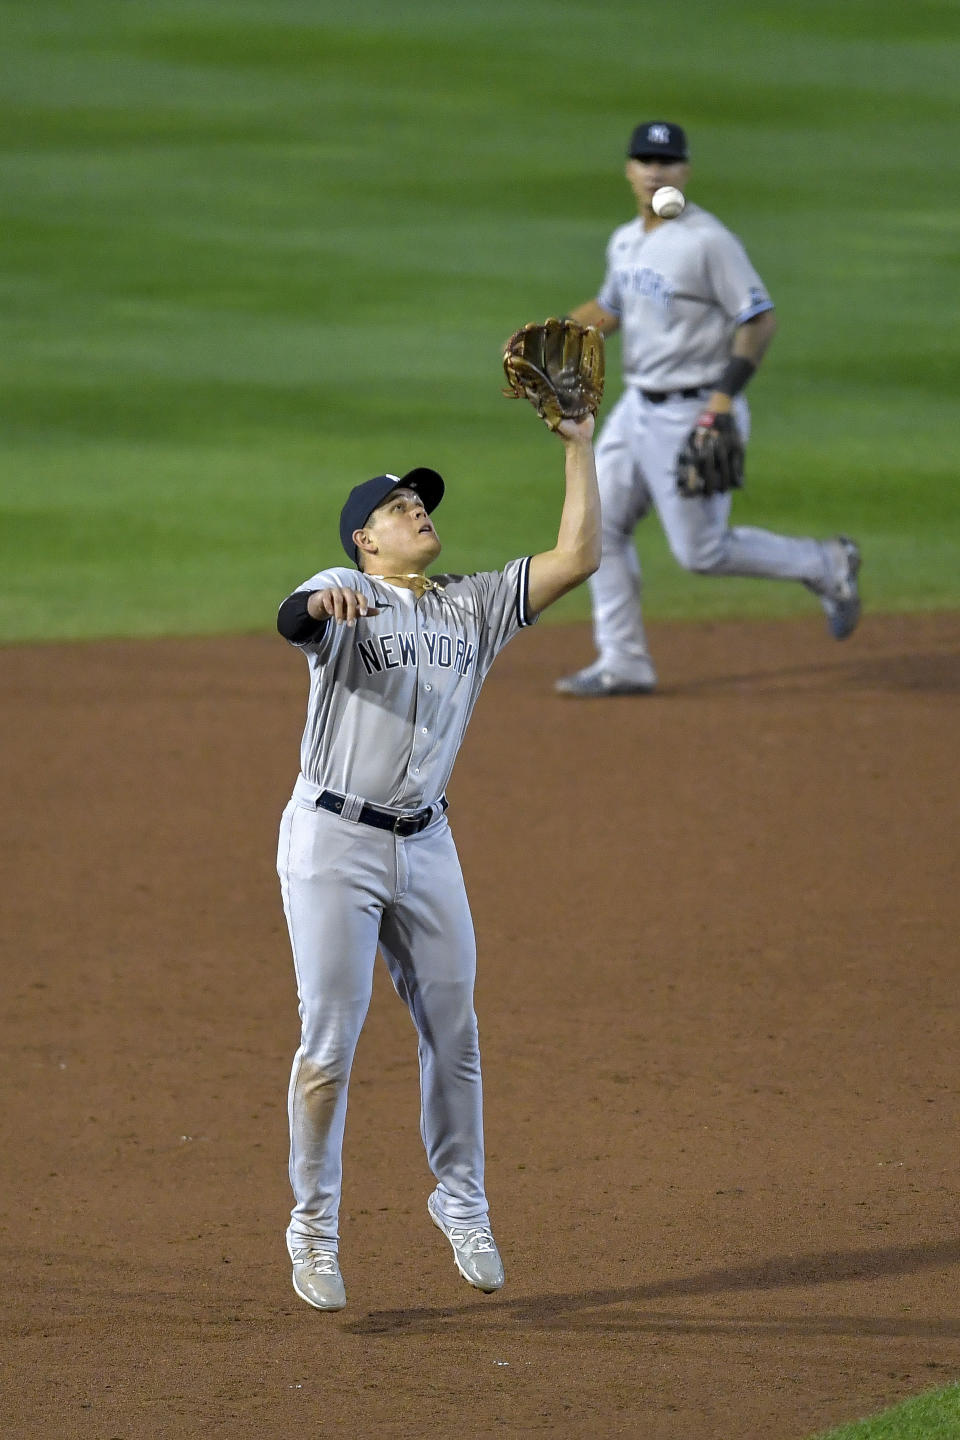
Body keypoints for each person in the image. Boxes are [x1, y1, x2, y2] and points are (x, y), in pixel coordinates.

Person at [274, 414, 599, 1310]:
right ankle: (314, 1231)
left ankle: (462, 1203)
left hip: (426, 843)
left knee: (454, 1031)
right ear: (364, 540)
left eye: (420, 500)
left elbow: (578, 556)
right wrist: (320, 606)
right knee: (329, 1046)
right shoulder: (346, 587)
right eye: (396, 506)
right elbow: (290, 615)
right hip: (332, 843)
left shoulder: (473, 603)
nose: (415, 510)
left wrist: (578, 441)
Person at [556, 120, 861, 698]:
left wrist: (722, 403)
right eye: (645, 160)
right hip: (634, 409)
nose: (655, 171)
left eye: (667, 162)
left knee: (702, 553)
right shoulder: (625, 240)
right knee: (601, 528)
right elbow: (612, 306)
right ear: (628, 170)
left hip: (695, 410)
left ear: (685, 171)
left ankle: (826, 563)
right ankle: (623, 662)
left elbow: (759, 320)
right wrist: (553, 335)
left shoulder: (706, 241)